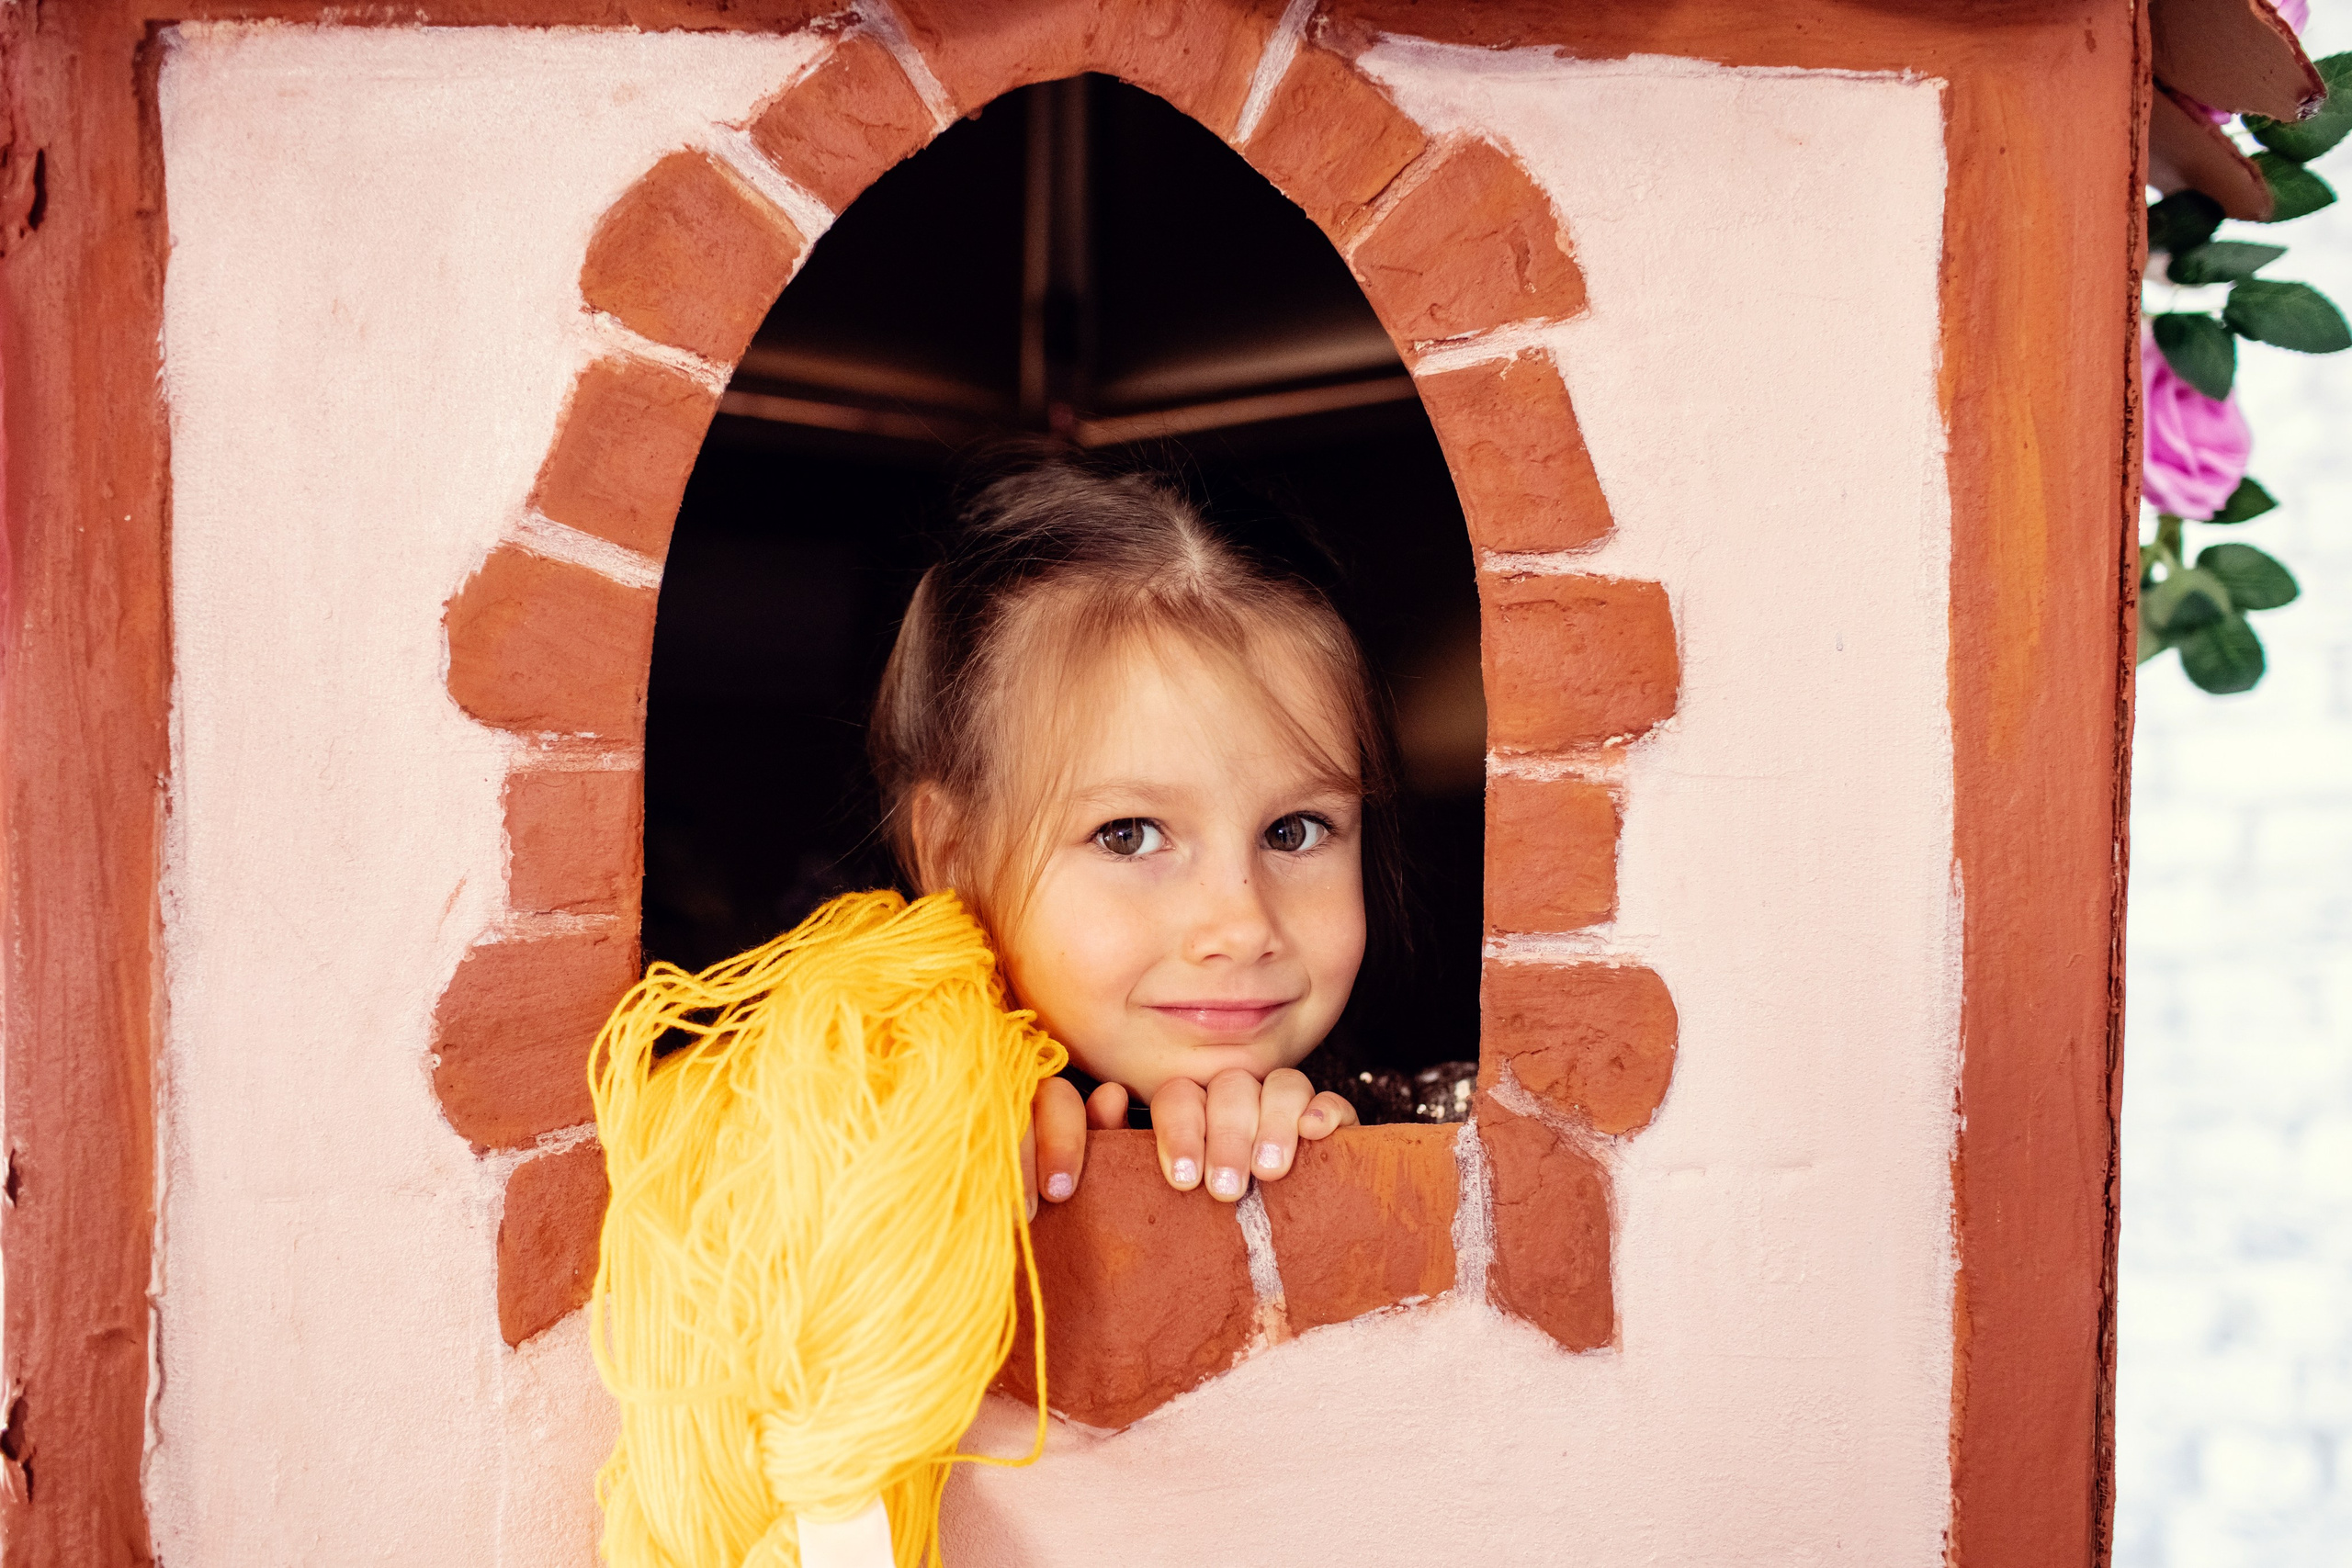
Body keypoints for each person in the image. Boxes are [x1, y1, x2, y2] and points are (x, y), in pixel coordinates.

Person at [867, 456, 1407, 1211]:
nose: (1243, 927)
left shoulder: (1405, 1114)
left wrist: (1335, 1163)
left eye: (1293, 830)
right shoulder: (844, 1118)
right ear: (954, 855)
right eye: (1127, 835)